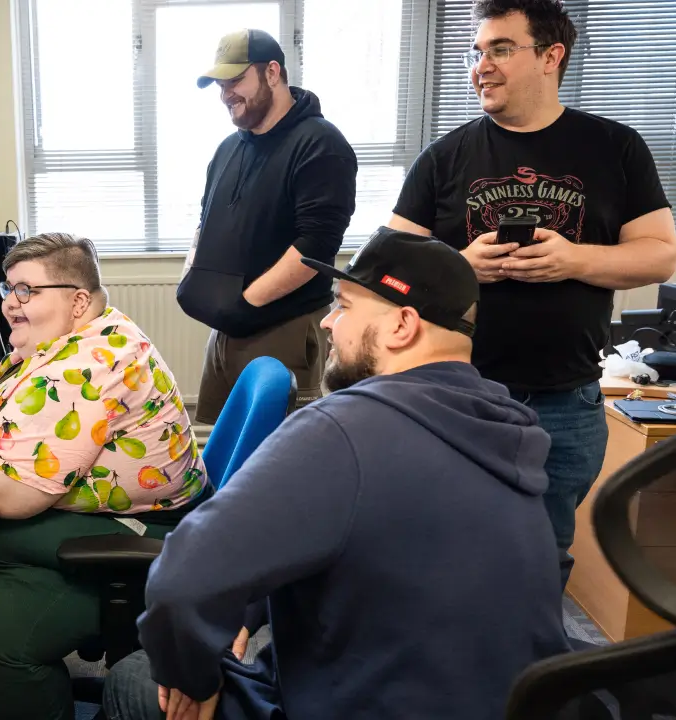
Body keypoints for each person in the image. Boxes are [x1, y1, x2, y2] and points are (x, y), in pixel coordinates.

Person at [103, 228, 570, 720]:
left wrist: (190, 677)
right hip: (504, 700)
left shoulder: (344, 429)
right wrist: (248, 606)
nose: (328, 322)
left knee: (135, 679)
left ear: (401, 325)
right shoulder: (503, 426)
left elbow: (180, 584)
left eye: (344, 305)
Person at [389, 0, 676, 586]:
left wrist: (574, 258)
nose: (480, 67)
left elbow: (661, 252)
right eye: (477, 52)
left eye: (500, 49)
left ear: (551, 56)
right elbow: (385, 271)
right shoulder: (444, 157)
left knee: (541, 560)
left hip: (565, 402)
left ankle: (523, 674)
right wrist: (458, 266)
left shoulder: (616, 149)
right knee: (443, 551)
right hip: (459, 395)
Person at [0, 232, 209, 720]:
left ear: (77, 301)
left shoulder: (86, 364)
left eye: (28, 290)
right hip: (137, 515)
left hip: (146, 536)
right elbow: (1, 407)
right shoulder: (81, 338)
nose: (12, 303)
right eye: (10, 289)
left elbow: (8, 494)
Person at [177, 28, 357, 424]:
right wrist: (194, 275)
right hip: (227, 332)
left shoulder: (321, 144)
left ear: (272, 72)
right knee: (222, 447)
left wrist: (246, 303)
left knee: (276, 460)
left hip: (283, 329)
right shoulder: (229, 147)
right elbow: (206, 222)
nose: (226, 94)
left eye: (236, 80)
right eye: (221, 85)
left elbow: (316, 244)